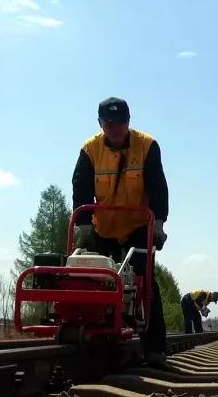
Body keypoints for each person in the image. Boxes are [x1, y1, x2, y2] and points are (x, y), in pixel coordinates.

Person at [72, 97, 170, 367]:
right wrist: (83, 228)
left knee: (145, 282)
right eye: (110, 123)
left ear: (129, 121)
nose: (116, 128)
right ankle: (95, 340)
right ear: (100, 123)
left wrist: (159, 224)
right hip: (103, 227)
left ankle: (155, 348)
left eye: (122, 122)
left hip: (138, 225)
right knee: (96, 282)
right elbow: (80, 188)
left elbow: (158, 186)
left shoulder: (147, 145)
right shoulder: (90, 149)